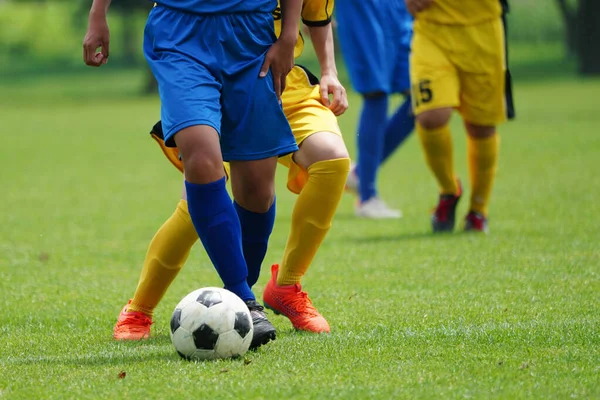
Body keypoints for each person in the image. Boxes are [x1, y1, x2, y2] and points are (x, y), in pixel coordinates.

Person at [109, 0, 351, 341]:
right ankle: (139, 309)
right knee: (196, 203)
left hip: (282, 80)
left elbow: (319, 16)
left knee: (330, 161)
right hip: (216, 79)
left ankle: (285, 286)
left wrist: (329, 72)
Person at [406, 0, 514, 233]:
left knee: (481, 126)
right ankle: (449, 189)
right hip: (432, 28)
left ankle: (478, 210)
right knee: (431, 116)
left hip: (483, 29)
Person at [335, 0, 416, 219]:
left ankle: (361, 174)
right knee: (376, 93)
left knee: (422, 98)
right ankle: (367, 197)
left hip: (401, 10)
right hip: (362, 8)